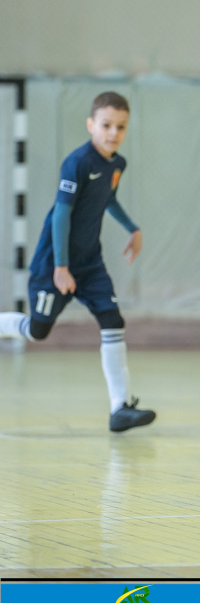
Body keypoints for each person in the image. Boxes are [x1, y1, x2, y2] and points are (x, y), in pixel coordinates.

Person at [0, 92, 156, 432]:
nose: (113, 133)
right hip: (54, 263)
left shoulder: (117, 164)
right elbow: (61, 215)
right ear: (90, 125)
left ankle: (120, 408)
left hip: (90, 264)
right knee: (38, 331)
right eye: (106, 125)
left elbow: (108, 199)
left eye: (121, 127)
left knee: (112, 320)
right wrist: (60, 267)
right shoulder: (77, 162)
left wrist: (133, 228)